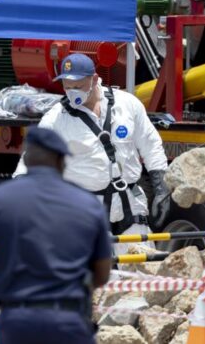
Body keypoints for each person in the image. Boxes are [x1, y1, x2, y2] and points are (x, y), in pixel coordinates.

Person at [0, 127, 112, 344]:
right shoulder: (88, 204)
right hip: (69, 322)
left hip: (17, 322)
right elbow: (102, 274)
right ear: (61, 161)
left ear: (28, 157)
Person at [14, 53, 171, 240]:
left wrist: (161, 185)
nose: (72, 93)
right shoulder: (57, 118)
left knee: (136, 267)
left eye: (78, 86)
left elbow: (150, 144)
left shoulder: (126, 104)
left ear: (94, 79)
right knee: (87, 269)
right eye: (67, 87)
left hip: (129, 205)